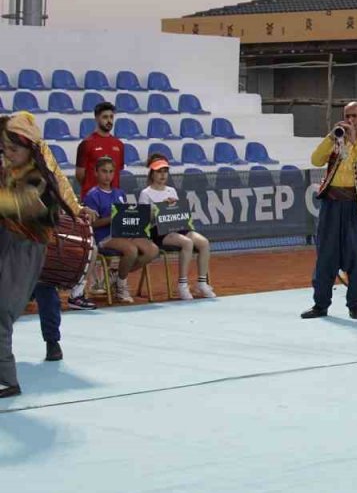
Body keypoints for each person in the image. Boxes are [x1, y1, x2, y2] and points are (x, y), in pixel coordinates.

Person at [0, 113, 88, 396]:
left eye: (13, 149)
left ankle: (8, 381)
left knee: (2, 314)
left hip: (25, 251)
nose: (8, 154)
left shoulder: (38, 181)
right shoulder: (12, 170)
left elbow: (15, 207)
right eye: (5, 149)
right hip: (10, 245)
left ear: (30, 149)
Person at [302, 101, 357, 320]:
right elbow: (315, 160)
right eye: (347, 115)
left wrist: (355, 143)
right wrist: (330, 137)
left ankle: (354, 305)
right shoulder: (336, 139)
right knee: (326, 255)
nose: (350, 120)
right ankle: (320, 304)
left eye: (355, 116)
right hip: (332, 204)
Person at [83, 156, 159, 304]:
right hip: (104, 237)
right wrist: (111, 218)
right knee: (131, 250)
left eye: (111, 172)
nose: (108, 175)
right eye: (104, 171)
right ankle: (121, 286)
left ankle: (116, 275)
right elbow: (91, 225)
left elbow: (126, 216)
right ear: (96, 173)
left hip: (124, 233)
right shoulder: (92, 195)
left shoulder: (119, 193)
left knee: (152, 250)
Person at [138, 155, 215, 300]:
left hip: (176, 226)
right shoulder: (145, 193)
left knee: (204, 242)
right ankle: (182, 285)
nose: (162, 175)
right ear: (152, 173)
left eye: (165, 171)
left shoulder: (171, 191)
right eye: (159, 171)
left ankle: (202, 283)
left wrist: (174, 206)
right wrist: (157, 210)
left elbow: (178, 213)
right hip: (158, 231)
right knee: (187, 243)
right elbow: (144, 221)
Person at [75, 101, 124, 199]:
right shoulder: (86, 143)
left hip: (113, 199)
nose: (109, 120)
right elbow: (80, 175)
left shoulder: (119, 144)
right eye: (105, 117)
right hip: (92, 199)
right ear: (97, 118)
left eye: (111, 117)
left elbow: (118, 172)